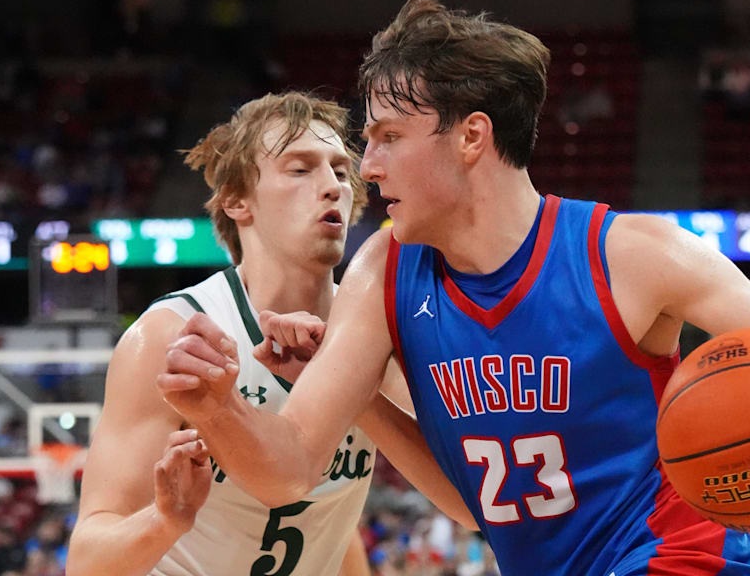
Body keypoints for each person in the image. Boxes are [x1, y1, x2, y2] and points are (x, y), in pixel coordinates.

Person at [158, 0, 750, 575]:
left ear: (471, 137)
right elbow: (288, 472)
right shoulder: (383, 272)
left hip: (684, 558)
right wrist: (217, 404)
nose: (366, 165)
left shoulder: (634, 255)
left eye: (387, 136)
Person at [67, 91, 473, 576]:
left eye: (341, 172)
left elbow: (328, 521)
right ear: (237, 201)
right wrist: (165, 520)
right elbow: (88, 561)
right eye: (301, 169)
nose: (331, 186)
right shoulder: (170, 337)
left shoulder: (374, 331)